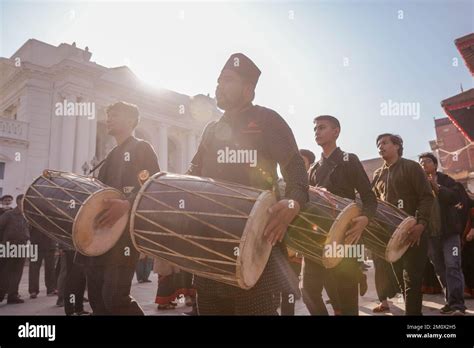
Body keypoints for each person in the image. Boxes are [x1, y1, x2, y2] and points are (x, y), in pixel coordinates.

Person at [187, 53, 309, 315]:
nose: (219, 85)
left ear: (248, 89)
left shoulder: (267, 120)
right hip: (211, 244)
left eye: (227, 80)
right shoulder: (211, 129)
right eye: (218, 80)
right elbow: (194, 171)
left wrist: (293, 201)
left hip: (257, 244)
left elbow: (295, 169)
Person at [74, 101, 160, 315]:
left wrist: (127, 203)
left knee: (114, 297)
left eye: (115, 115)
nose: (108, 119)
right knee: (97, 300)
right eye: (108, 114)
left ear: (131, 120)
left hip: (123, 238)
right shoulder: (111, 155)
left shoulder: (142, 147)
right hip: (101, 235)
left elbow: (152, 185)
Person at [303, 115, 377, 316]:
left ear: (336, 132)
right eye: (315, 129)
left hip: (344, 236)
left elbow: (369, 198)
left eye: (322, 127)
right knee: (308, 290)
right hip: (316, 237)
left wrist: (365, 219)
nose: (317, 132)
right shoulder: (314, 169)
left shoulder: (349, 160)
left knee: (347, 296)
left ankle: (357, 276)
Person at [372, 134, 433, 315]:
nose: (380, 147)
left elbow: (426, 197)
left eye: (384, 143)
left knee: (412, 279)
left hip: (414, 233)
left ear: (397, 146)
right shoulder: (377, 175)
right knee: (400, 279)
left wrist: (421, 225)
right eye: (378, 144)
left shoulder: (411, 167)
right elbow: (375, 204)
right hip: (390, 237)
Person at [419, 152, 467, 315]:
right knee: (440, 269)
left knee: (452, 265)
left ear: (434, 164)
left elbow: (455, 197)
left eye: (426, 161)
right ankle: (450, 301)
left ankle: (458, 305)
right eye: (420, 162)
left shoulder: (446, 180)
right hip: (430, 235)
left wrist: (437, 187)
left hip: (449, 233)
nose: (423, 164)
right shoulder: (418, 184)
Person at [280, 149, 315, 316]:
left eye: (302, 162)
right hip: (279, 245)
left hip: (301, 248)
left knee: (291, 290)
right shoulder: (278, 184)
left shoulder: (314, 190)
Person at [0, 194, 29, 304]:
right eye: (23, 202)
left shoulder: (27, 215)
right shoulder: (8, 215)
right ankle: (1, 294)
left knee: (17, 272)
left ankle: (12, 295)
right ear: (18, 203)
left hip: (22, 246)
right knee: (6, 272)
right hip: (9, 246)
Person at [28, 226, 57, 298]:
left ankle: (49, 289)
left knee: (49, 268)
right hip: (38, 244)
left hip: (47, 244)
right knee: (35, 269)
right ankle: (35, 290)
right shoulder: (34, 215)